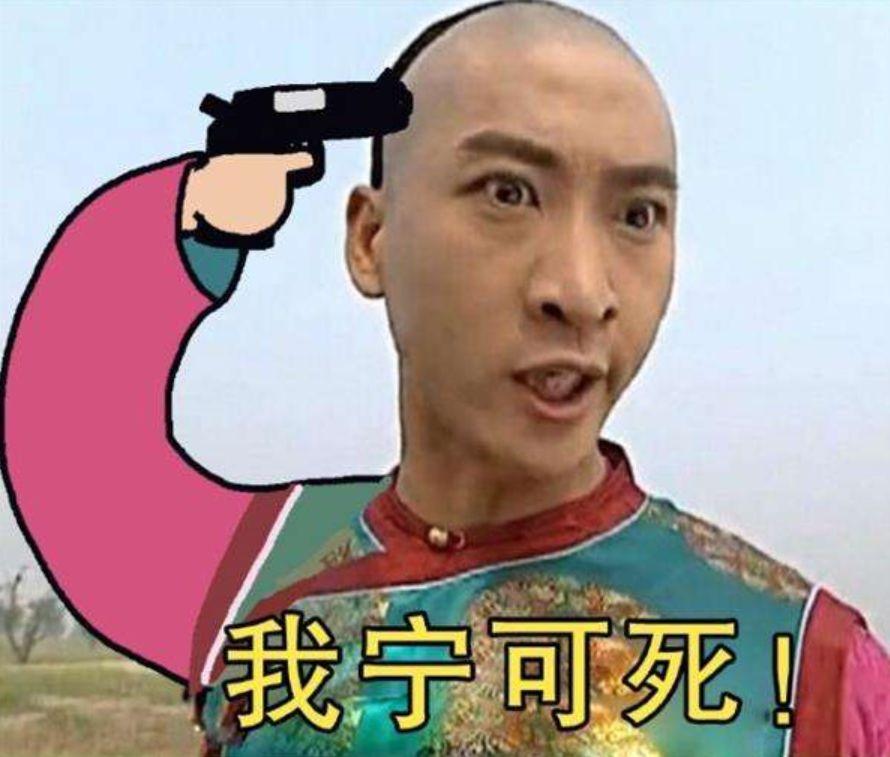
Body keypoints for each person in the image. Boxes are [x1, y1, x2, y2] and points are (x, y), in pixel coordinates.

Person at [2, 0, 888, 754]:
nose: (583, 292)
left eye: (638, 214)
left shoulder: (810, 670)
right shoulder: (264, 589)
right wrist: (195, 217)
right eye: (508, 193)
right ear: (370, 240)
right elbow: (76, 444)